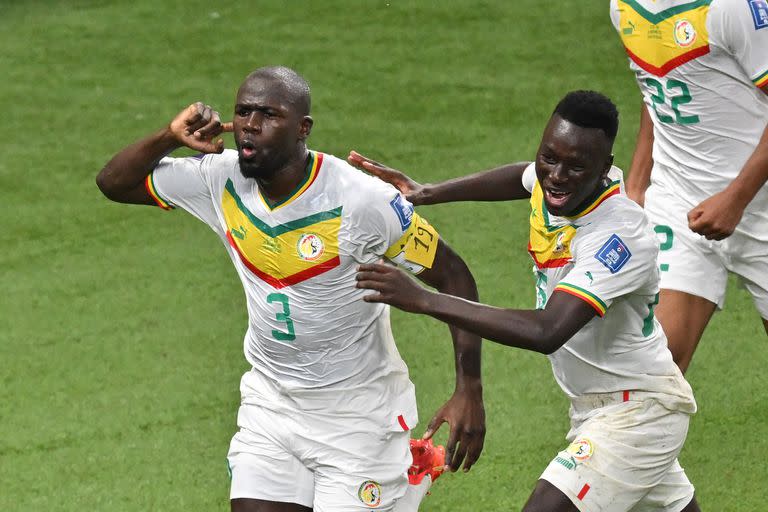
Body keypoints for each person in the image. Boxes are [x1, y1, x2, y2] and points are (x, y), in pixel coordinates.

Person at [95, 66, 486, 512]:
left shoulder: (361, 200)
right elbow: (114, 183)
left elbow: (454, 276)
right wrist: (169, 137)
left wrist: (468, 388)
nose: (250, 125)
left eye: (268, 114)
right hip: (271, 406)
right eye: (243, 111)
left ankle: (405, 472)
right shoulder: (219, 179)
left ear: (303, 129)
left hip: (358, 417)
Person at [350, 91, 701, 511]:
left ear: (603, 168)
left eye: (575, 166)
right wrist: (427, 192)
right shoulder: (560, 186)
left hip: (637, 414)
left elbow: (546, 330)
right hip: (600, 407)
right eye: (549, 157)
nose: (556, 176)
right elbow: (523, 178)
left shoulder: (619, 237)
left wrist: (425, 300)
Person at [610, 0, 768, 372]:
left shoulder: (733, 9)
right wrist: (636, 186)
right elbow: (659, 86)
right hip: (678, 201)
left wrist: (735, 198)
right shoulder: (624, 8)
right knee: (654, 369)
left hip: (759, 205)